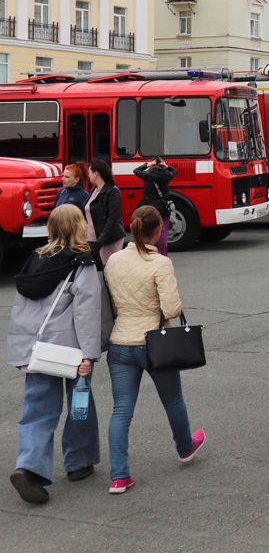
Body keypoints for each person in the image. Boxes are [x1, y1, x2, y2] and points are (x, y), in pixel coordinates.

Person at [104, 206, 206, 495]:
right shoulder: (160, 263)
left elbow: (112, 302)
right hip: (154, 343)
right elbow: (171, 308)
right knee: (173, 400)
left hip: (121, 341)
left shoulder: (113, 260)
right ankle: (185, 447)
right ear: (158, 230)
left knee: (121, 410)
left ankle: (119, 477)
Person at [6, 205, 103, 504]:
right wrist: (89, 354)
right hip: (71, 350)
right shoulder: (82, 263)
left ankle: (29, 467)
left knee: (37, 410)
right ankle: (78, 462)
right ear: (78, 226)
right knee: (79, 405)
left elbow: (23, 310)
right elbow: (86, 314)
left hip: (37, 351)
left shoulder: (34, 259)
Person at [85, 159, 126, 268]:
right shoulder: (93, 190)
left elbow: (113, 218)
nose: (88, 175)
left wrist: (101, 241)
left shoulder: (112, 191)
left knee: (107, 269)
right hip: (93, 239)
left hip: (108, 239)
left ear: (96, 173)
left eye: (89, 172)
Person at [133, 157, 177, 255]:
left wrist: (147, 164)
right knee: (163, 234)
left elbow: (136, 170)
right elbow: (174, 171)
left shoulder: (147, 174)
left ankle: (148, 253)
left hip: (149, 210)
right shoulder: (167, 175)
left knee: (148, 232)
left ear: (153, 165)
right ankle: (163, 254)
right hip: (163, 209)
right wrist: (166, 165)